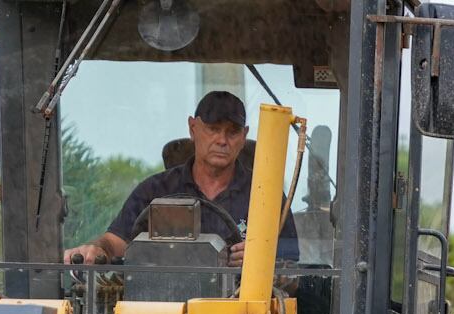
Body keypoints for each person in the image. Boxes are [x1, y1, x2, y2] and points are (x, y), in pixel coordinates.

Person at [64, 91, 299, 267]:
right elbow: (115, 243)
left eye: (232, 132)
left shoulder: (266, 198)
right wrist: (96, 249)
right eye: (213, 129)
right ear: (193, 128)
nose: (222, 140)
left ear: (244, 135)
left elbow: (291, 269)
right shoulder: (155, 190)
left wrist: (263, 262)